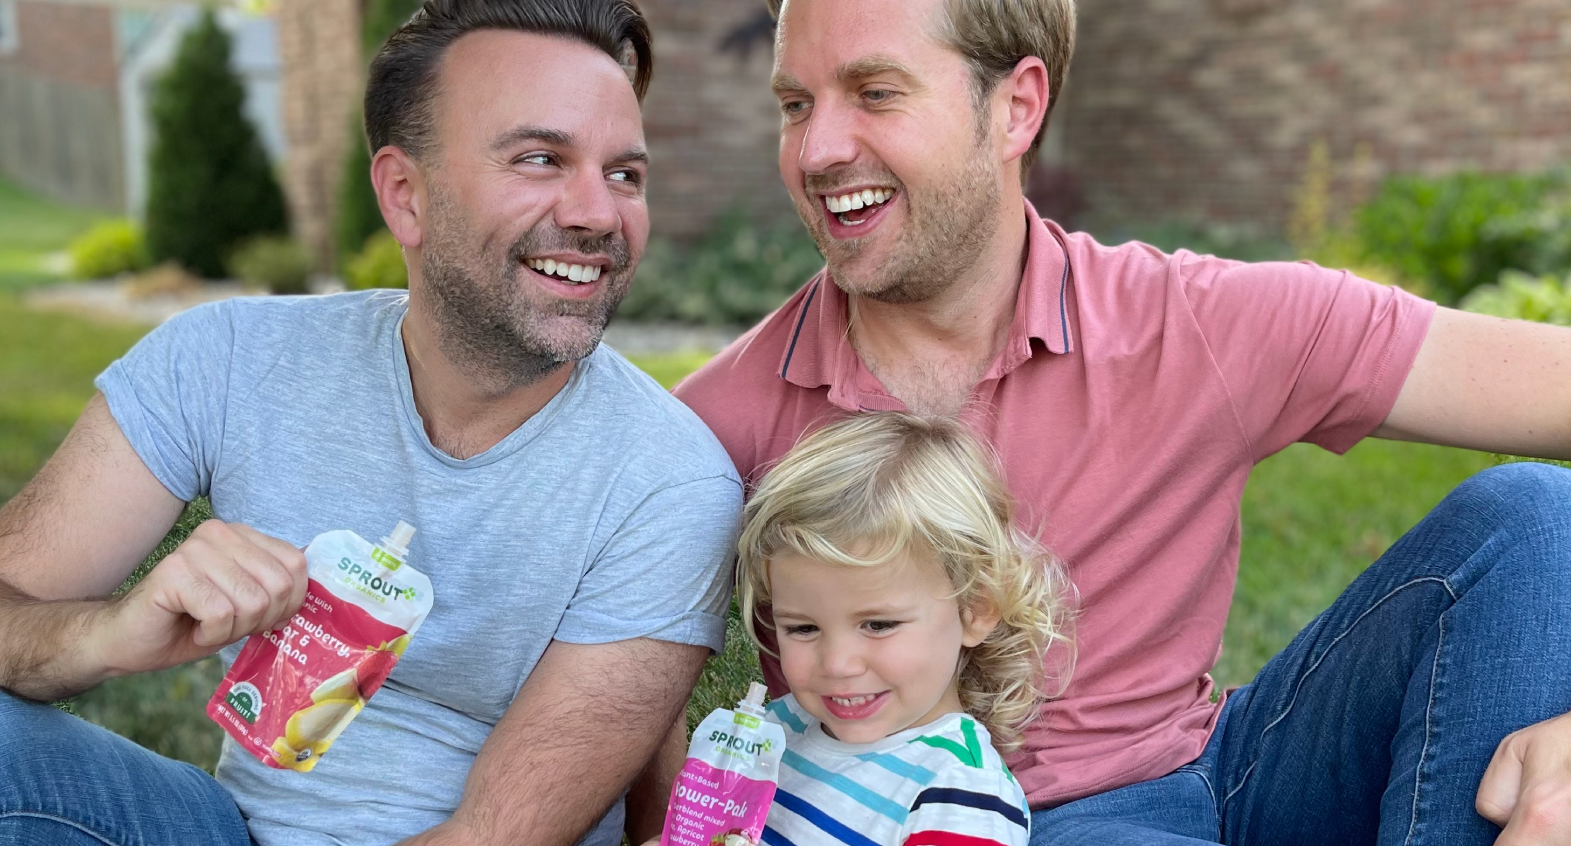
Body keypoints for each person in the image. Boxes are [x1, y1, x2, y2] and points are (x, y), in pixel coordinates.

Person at [672, 0, 1571, 843]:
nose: (817, 148)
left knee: (1529, 520)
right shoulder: (714, 428)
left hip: (1230, 769)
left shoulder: (1193, 323)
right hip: (986, 814)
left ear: (1016, 107)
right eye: (795, 103)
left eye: (874, 93)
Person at [0, 2, 741, 846]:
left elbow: (492, 839)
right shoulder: (232, 357)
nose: (599, 214)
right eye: (540, 159)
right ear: (404, 196)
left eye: (625, 174)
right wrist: (103, 632)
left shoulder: (668, 484)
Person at [736, 412, 1073, 846]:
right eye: (803, 628)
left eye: (878, 624)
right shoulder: (780, 727)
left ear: (976, 609)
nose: (837, 664)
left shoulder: (959, 799)